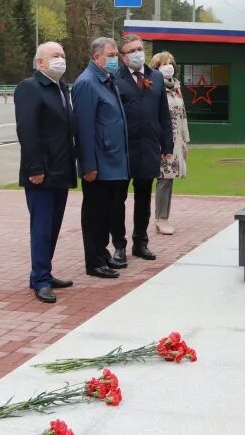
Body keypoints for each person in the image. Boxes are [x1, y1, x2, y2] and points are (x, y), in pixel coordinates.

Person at [13, 41, 76, 303]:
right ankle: (39, 279)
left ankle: (44, 272)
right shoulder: (30, 88)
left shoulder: (62, 88)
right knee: (41, 227)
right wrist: (35, 168)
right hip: (42, 172)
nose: (60, 59)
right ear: (40, 63)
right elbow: (27, 131)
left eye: (62, 54)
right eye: (54, 55)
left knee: (53, 227)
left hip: (61, 170)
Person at [112, 34, 173, 262]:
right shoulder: (115, 79)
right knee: (118, 199)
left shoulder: (155, 77)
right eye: (131, 51)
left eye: (139, 48)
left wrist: (167, 144)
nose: (137, 53)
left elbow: (163, 114)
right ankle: (119, 245)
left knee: (144, 197)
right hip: (124, 150)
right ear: (123, 56)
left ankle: (141, 242)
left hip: (148, 147)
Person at [72, 36, 129, 279]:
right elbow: (83, 129)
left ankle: (102, 253)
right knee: (95, 214)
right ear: (97, 57)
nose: (116, 58)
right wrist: (89, 165)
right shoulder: (86, 83)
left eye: (116, 54)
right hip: (99, 163)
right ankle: (93, 261)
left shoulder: (106, 80)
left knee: (106, 212)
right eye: (112, 54)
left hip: (113, 161)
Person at [149, 51, 190, 235]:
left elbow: (182, 116)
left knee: (170, 177)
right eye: (164, 64)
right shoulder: (153, 88)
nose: (168, 66)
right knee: (164, 178)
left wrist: (185, 141)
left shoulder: (176, 88)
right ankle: (161, 218)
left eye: (171, 63)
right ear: (156, 67)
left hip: (177, 140)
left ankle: (164, 216)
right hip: (162, 140)